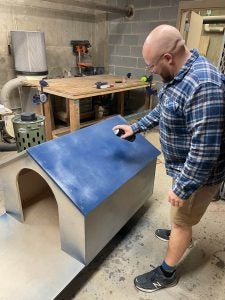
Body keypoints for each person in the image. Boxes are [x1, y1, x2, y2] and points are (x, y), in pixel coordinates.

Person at [113, 24, 225, 293]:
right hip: (183, 165)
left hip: (198, 175)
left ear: (167, 58)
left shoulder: (203, 85)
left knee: (180, 220)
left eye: (151, 66)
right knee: (180, 219)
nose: (150, 71)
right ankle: (180, 233)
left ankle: (167, 273)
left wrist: (183, 187)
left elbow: (205, 150)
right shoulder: (175, 77)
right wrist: (136, 127)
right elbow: (164, 110)